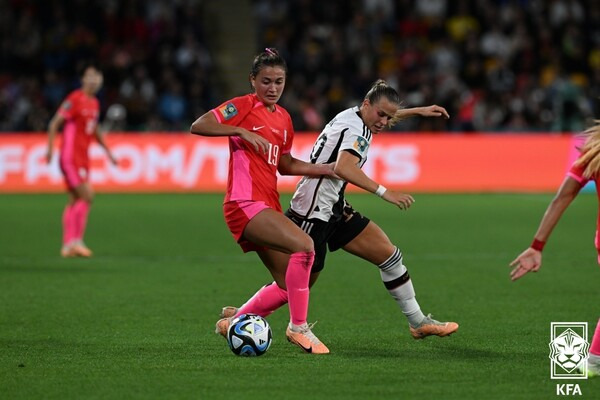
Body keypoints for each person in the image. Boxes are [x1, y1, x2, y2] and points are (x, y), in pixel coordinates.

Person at [217, 80, 459, 344]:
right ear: (367, 105)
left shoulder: (353, 114)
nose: (384, 122)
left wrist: (417, 111)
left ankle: (418, 322)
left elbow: (382, 111)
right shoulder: (358, 130)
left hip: (335, 207)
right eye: (381, 115)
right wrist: (384, 192)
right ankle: (240, 318)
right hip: (313, 212)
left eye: (389, 117)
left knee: (389, 256)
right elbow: (344, 167)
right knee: (296, 286)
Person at [190, 48, 337, 354]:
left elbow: (286, 165)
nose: (273, 88)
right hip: (244, 203)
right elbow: (199, 125)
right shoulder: (243, 106)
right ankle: (299, 328)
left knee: (291, 285)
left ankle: (236, 321)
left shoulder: (284, 118)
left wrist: (326, 169)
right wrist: (239, 129)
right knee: (305, 247)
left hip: (267, 205)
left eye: (279, 82)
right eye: (266, 81)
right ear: (253, 81)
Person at [510, 122, 600, 377]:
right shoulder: (595, 153)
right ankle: (595, 360)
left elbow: (562, 197)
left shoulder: (593, 153)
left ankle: (595, 360)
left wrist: (537, 245)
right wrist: (536, 246)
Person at [46, 65, 117, 258]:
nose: (93, 80)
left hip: (83, 158)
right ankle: (76, 242)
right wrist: (50, 149)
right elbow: (54, 124)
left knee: (74, 199)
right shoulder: (74, 99)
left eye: (97, 76)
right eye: (89, 76)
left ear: (101, 80)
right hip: (70, 158)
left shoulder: (94, 103)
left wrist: (108, 152)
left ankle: (68, 246)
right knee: (88, 195)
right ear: (83, 79)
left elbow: (95, 130)